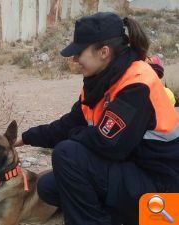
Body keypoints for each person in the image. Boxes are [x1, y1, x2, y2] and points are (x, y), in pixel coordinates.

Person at [14, 12, 179, 225]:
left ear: (103, 52)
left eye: (79, 52)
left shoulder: (136, 85)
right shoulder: (101, 81)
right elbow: (69, 124)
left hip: (160, 187)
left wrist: (73, 137)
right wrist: (25, 138)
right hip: (133, 172)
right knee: (49, 186)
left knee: (67, 154)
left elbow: (109, 144)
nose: (74, 59)